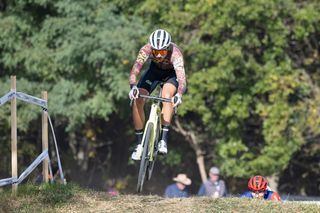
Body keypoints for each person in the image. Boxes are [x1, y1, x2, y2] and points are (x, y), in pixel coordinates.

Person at [128, 29, 187, 160]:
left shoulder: (175, 54)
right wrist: (133, 87)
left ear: (167, 48)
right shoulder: (146, 49)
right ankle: (139, 144)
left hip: (171, 75)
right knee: (138, 98)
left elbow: (182, 79)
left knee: (167, 95)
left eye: (162, 52)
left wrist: (179, 95)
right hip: (154, 72)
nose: (159, 55)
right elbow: (135, 70)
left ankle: (163, 140)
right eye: (155, 52)